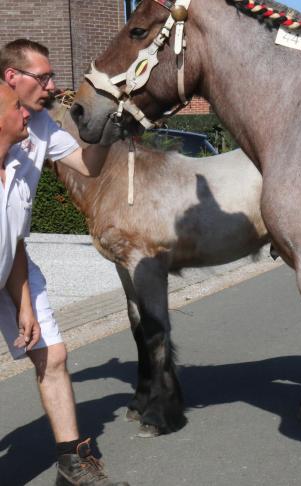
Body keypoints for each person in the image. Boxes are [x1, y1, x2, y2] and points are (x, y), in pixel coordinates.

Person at [0, 39, 126, 486]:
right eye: (44, 77)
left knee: (53, 354)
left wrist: (107, 130)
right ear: (12, 77)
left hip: (11, 256)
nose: (53, 86)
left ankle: (73, 464)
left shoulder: (40, 126)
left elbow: (87, 166)